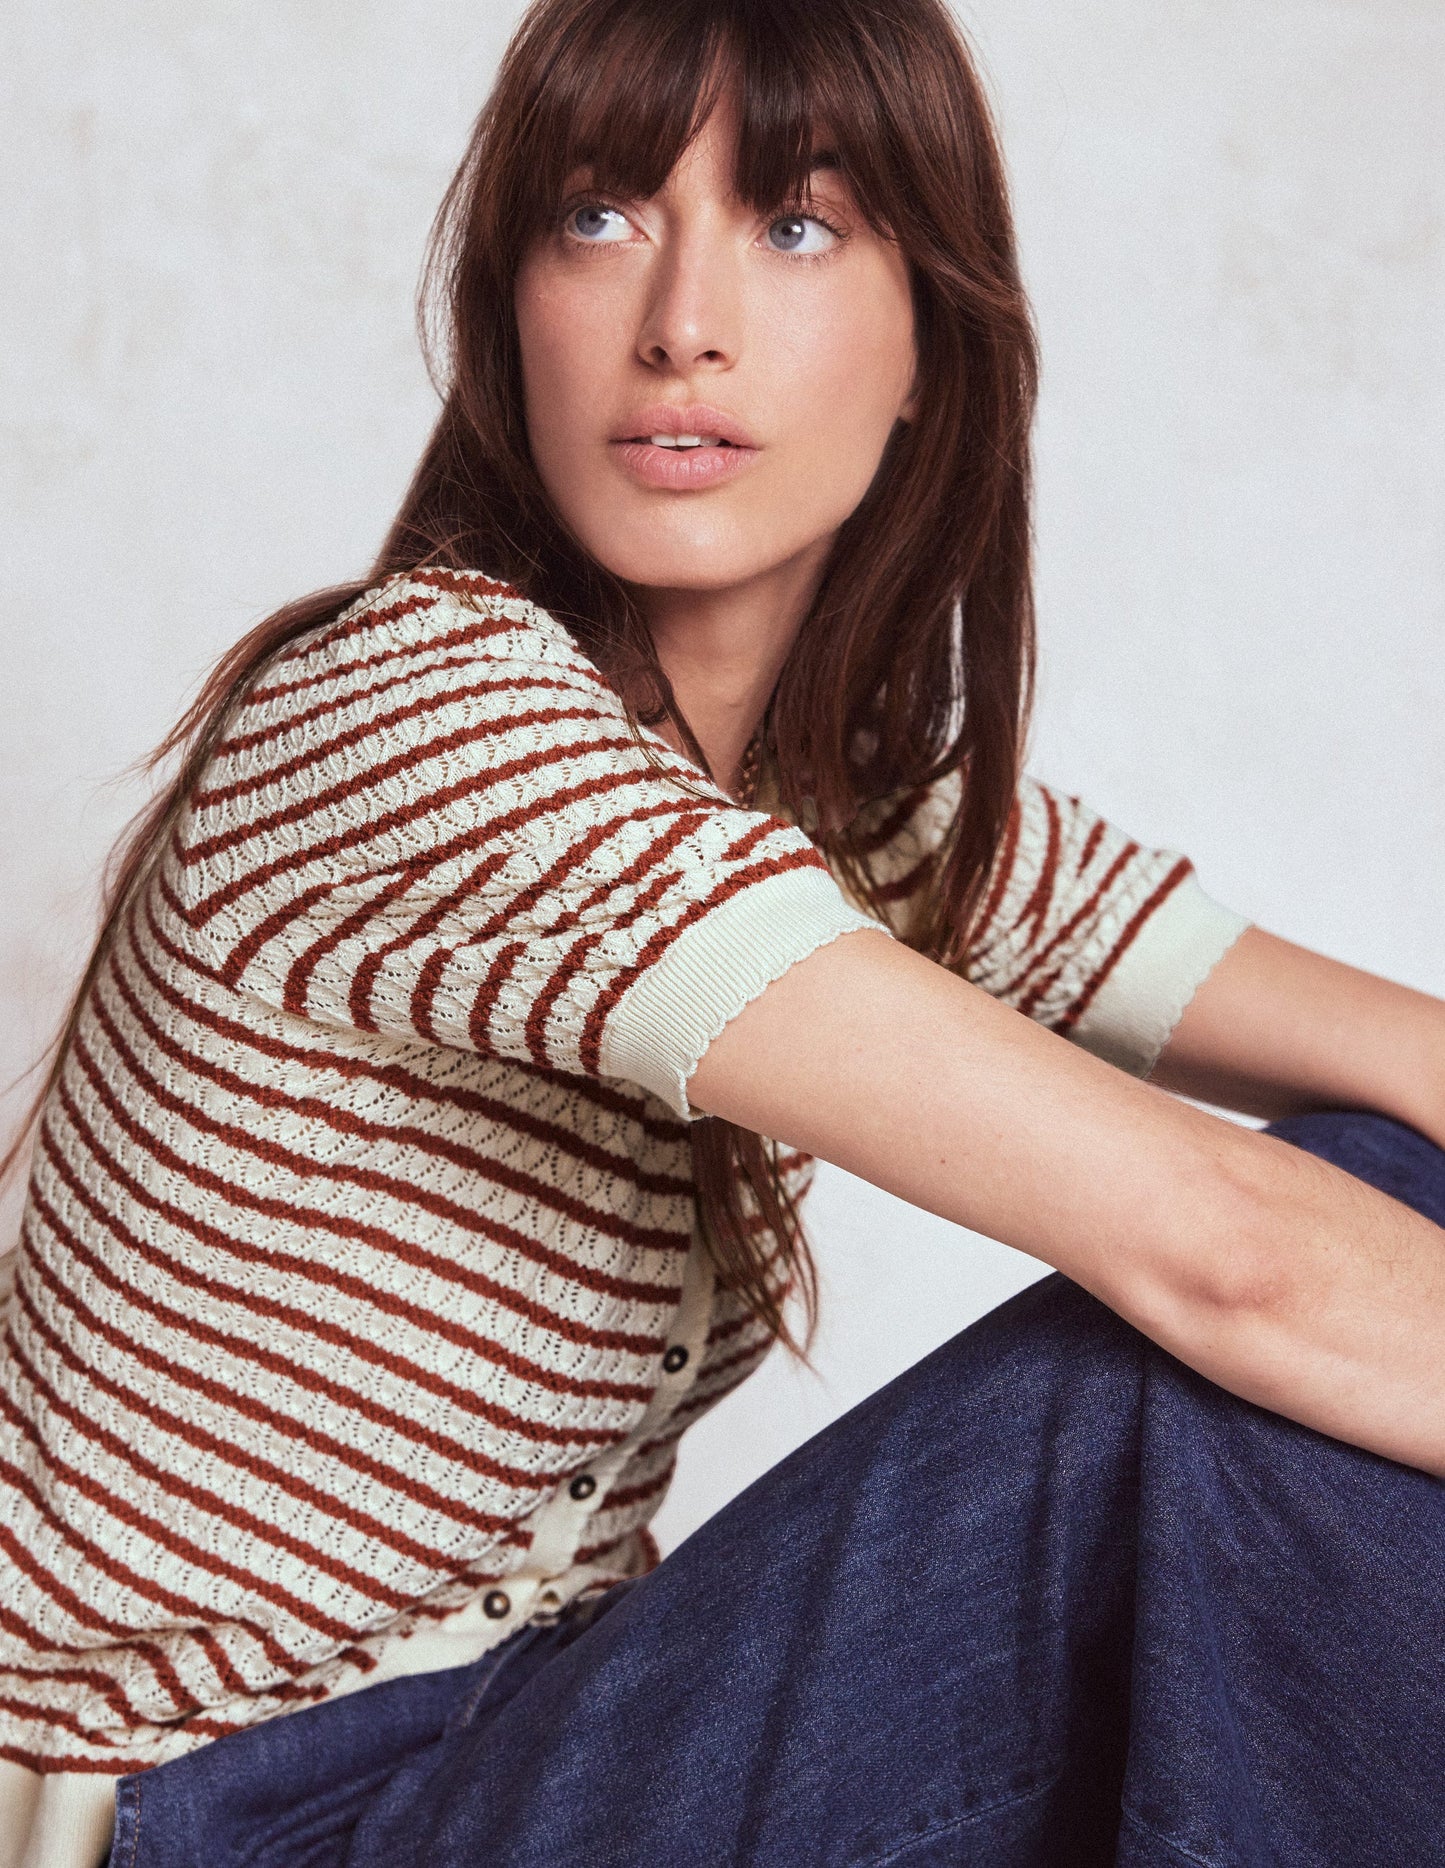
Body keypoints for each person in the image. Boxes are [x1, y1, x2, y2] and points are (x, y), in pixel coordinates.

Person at [2, 0, 1442, 1861]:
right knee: (1173, 1393)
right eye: (597, 217)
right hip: (219, 1818)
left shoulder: (844, 809)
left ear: (928, 343)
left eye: (795, 223)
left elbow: (1404, 1069)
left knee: (1379, 1189)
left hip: (509, 1736)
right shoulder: (424, 718)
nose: (682, 321)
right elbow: (1231, 1260)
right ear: (510, 310)